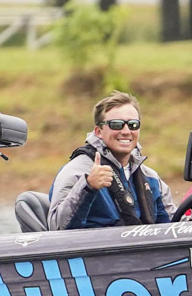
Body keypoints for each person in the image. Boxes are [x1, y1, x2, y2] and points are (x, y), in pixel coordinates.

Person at [48, 91, 174, 230]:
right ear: (98, 131)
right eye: (116, 124)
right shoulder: (76, 172)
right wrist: (88, 187)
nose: (126, 131)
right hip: (95, 244)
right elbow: (56, 227)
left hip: (139, 244)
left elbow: (174, 227)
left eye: (133, 125)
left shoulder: (151, 178)